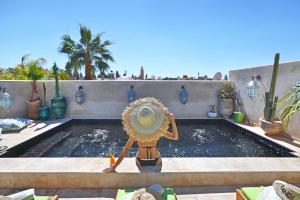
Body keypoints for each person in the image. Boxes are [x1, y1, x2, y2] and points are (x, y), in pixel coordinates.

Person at [103, 97, 178, 172]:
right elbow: (175, 137)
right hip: (156, 160)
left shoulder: (136, 132)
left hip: (141, 160)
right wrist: (172, 121)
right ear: (153, 118)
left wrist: (114, 167)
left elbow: (126, 150)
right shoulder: (158, 130)